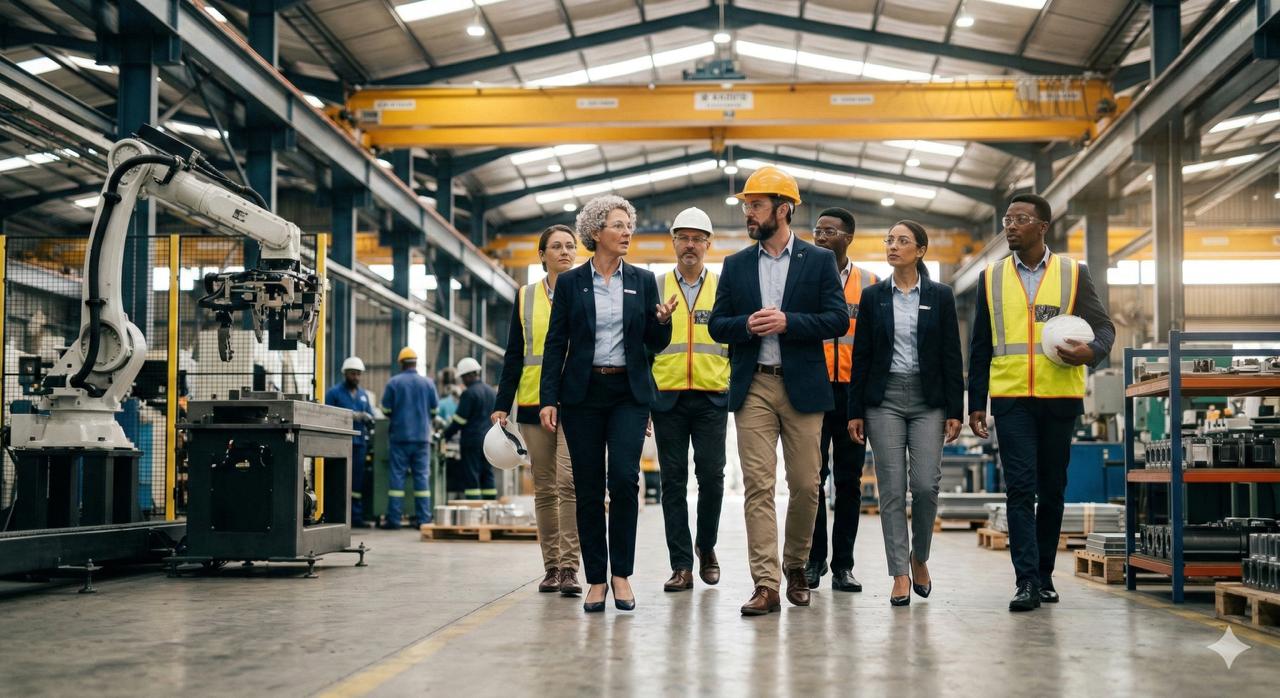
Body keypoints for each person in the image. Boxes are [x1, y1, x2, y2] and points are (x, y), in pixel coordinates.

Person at [708, 166, 848, 616]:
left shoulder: (819, 261)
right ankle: (765, 583)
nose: (749, 213)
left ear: (783, 209)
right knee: (758, 487)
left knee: (808, 485)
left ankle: (796, 566)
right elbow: (717, 325)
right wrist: (746, 326)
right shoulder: (735, 264)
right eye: (747, 205)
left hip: (803, 385)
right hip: (755, 387)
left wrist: (790, 322)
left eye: (756, 206)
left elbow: (837, 320)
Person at [967, 193, 1115, 612]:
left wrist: (1094, 352)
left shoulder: (1073, 273)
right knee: (1020, 488)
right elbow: (980, 343)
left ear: (1042, 226)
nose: (1010, 226)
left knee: (1052, 491)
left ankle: (1045, 575)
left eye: (1020, 219)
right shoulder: (991, 277)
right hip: (1012, 399)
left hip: (1060, 399)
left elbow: (1103, 327)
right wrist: (977, 401)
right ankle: (1026, 581)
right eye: (1006, 219)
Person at [540, 194, 676, 613]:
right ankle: (596, 579)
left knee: (622, 480)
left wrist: (662, 322)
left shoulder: (643, 279)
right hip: (582, 394)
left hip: (628, 395)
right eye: (618, 225)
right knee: (586, 489)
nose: (627, 232)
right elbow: (555, 342)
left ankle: (622, 576)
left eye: (629, 225)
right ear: (596, 232)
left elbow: (653, 345)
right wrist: (549, 398)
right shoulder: (571, 283)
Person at [847, 220, 964, 606]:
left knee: (927, 486)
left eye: (902, 241)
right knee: (892, 490)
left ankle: (920, 557)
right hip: (884, 400)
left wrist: (955, 409)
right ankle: (899, 571)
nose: (893, 246)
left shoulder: (941, 295)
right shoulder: (873, 296)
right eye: (889, 240)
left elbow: (951, 354)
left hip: (929, 400)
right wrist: (856, 411)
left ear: (920, 250)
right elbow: (860, 356)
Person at [493, 224, 582, 596]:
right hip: (532, 403)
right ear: (542, 254)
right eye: (556, 246)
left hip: (575, 402)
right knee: (545, 489)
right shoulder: (525, 296)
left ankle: (570, 567)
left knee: (569, 484)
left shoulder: (585, 290)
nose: (565, 252)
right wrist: (502, 404)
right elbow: (516, 352)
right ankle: (552, 567)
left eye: (570, 246)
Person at [650, 207, 730, 593]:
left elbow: (737, 342)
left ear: (708, 245)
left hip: (712, 396)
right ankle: (681, 564)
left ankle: (707, 546)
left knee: (712, 478)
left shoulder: (725, 288)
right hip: (666, 398)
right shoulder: (655, 286)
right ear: (673, 242)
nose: (690, 245)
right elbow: (642, 344)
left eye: (698, 238)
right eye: (683, 237)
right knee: (673, 482)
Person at [806, 207, 877, 592]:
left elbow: (876, 345)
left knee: (849, 483)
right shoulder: (804, 279)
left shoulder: (869, 283)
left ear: (847, 237)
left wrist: (867, 399)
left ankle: (843, 566)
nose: (820, 237)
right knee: (812, 479)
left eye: (829, 231)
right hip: (814, 391)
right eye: (817, 230)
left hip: (853, 394)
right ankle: (814, 560)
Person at [379, 346, 439, 529]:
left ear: (401, 364)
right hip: (422, 439)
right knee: (421, 477)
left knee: (397, 479)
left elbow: (385, 410)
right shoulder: (428, 384)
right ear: (415, 363)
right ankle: (423, 519)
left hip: (400, 437)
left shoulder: (394, 383)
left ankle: (394, 520)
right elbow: (435, 411)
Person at [324, 356, 378, 528]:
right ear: (345, 374)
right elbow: (327, 414)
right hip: (340, 443)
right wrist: (354, 415)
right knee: (338, 480)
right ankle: (336, 515)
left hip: (359, 444)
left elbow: (370, 415)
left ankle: (355, 516)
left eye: (358, 374)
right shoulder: (333, 393)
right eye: (352, 374)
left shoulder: (363, 395)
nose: (356, 377)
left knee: (356, 482)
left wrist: (370, 420)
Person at [442, 358, 497, 500]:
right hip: (489, 441)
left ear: (467, 375)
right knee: (487, 473)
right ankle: (490, 507)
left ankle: (475, 511)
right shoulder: (491, 392)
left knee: (472, 476)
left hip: (471, 442)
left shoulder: (469, 394)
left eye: (462, 378)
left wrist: (444, 436)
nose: (462, 381)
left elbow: (459, 421)